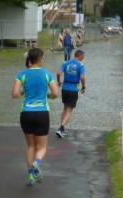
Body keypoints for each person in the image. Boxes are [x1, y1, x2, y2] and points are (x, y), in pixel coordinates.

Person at [12, 48, 59, 187]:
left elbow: (15, 94)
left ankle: (31, 176)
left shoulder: (21, 74)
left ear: (29, 60)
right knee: (42, 147)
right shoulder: (47, 74)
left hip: (26, 113)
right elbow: (56, 94)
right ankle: (37, 163)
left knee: (31, 145)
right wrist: (48, 96)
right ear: (40, 59)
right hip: (42, 113)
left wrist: (23, 92)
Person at [56, 49, 86, 138]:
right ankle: (61, 128)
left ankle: (62, 129)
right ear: (80, 56)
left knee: (65, 108)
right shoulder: (81, 65)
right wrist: (83, 86)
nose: (83, 58)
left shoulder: (66, 63)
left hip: (65, 88)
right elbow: (82, 77)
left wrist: (59, 81)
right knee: (69, 110)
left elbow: (58, 73)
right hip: (73, 89)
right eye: (83, 57)